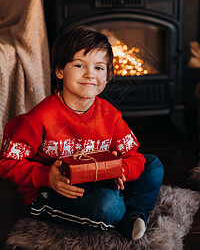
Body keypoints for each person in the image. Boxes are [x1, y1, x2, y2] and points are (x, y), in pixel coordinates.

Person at [0, 25, 164, 240]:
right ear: (59, 70)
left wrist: (121, 169)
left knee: (152, 164)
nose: (90, 74)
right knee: (109, 206)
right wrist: (46, 176)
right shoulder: (38, 118)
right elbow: (7, 162)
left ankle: (133, 215)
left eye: (99, 68)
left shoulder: (110, 115)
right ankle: (120, 213)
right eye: (79, 65)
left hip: (100, 179)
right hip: (55, 190)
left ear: (107, 76)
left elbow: (134, 156)